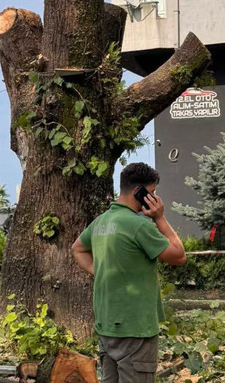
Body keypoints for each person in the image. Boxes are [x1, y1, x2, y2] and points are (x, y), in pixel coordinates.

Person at [71, 162, 186, 383]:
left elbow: (77, 248)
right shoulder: (139, 226)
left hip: (107, 325)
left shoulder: (101, 222)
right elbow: (178, 255)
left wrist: (100, 271)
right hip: (135, 329)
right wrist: (159, 217)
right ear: (138, 192)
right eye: (151, 193)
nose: (154, 198)